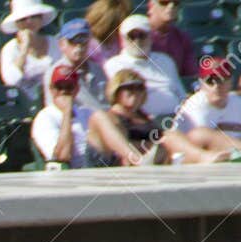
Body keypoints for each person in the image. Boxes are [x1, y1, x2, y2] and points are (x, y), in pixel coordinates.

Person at [98, 68, 230, 163]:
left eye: (139, 88)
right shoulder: (108, 116)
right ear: (116, 90)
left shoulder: (144, 116)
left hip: (160, 157)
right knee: (168, 137)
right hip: (127, 161)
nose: (135, 92)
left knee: (201, 133)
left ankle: (236, 151)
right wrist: (139, 155)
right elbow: (118, 144)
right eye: (129, 87)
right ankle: (203, 157)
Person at [104, 13, 181, 116]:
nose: (137, 41)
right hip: (143, 123)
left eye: (142, 35)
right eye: (132, 36)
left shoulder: (165, 60)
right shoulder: (114, 65)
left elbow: (180, 94)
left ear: (150, 37)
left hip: (177, 117)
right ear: (122, 39)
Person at [32, 63, 102, 166]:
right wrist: (66, 112)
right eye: (59, 87)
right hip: (72, 172)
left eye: (69, 87)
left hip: (98, 163)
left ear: (76, 90)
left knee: (103, 117)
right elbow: (62, 156)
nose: (64, 92)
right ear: (51, 89)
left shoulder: (87, 112)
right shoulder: (45, 117)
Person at [174, 58, 241, 150]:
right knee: (202, 134)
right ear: (201, 83)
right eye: (210, 81)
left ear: (231, 81)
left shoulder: (237, 102)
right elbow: (196, 141)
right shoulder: (194, 106)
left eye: (221, 79)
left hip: (233, 157)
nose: (216, 86)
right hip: (200, 158)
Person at [0, 0, 60, 100]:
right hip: (23, 105)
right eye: (23, 19)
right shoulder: (9, 49)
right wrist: (24, 48)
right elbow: (11, 81)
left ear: (41, 18)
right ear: (16, 23)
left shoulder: (55, 43)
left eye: (34, 16)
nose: (29, 21)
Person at [46, 18, 108, 109]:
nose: (79, 46)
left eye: (83, 40)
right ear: (62, 44)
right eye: (73, 41)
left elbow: (106, 102)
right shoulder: (54, 73)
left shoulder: (97, 69)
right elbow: (54, 109)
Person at [146, 0, 198, 79]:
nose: (171, 6)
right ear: (151, 6)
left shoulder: (182, 37)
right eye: (164, 2)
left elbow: (191, 75)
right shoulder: (137, 34)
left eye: (176, 3)